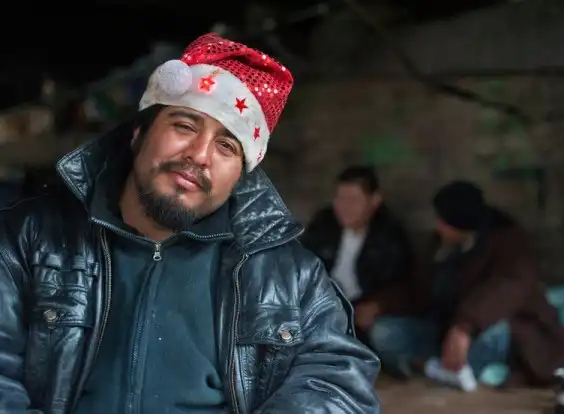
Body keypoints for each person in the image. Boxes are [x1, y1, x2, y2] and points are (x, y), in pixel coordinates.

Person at [0, 34, 379, 413]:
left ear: (240, 176)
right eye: (184, 125)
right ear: (138, 134)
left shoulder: (287, 274)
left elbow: (338, 381)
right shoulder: (31, 237)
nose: (199, 155)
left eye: (226, 146)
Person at [363, 181, 564, 388]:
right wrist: (381, 305)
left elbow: (504, 290)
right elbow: (419, 289)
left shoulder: (508, 243)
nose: (438, 226)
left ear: (460, 225)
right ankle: (433, 369)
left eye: (443, 222)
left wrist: (464, 326)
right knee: (385, 332)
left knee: (493, 333)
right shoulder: (440, 245)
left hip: (492, 330)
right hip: (444, 331)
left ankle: (440, 369)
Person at [302, 165, 414, 343]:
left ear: (374, 201)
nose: (345, 207)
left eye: (354, 200)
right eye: (340, 198)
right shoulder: (323, 224)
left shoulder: (389, 236)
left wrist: (377, 306)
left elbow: (402, 285)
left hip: (359, 312)